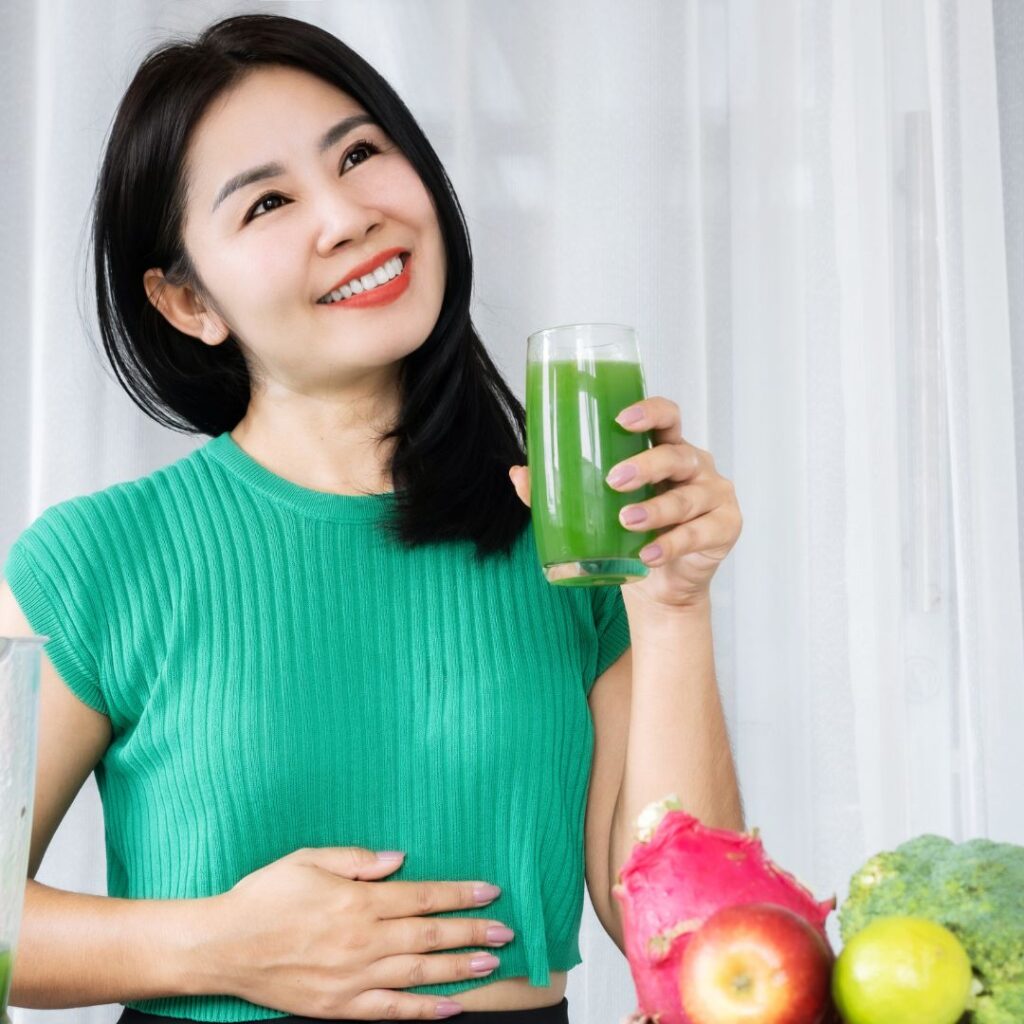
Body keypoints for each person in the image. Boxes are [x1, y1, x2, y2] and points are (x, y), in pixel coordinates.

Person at [0, 12, 745, 1024]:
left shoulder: (566, 535)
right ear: (187, 302)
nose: (345, 215)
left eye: (359, 153)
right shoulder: (96, 562)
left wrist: (670, 607)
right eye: (266, 201)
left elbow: (691, 947)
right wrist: (225, 944)